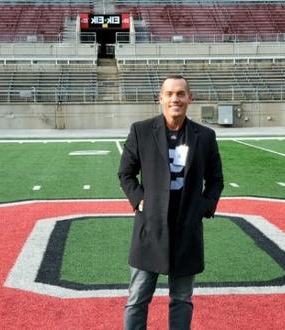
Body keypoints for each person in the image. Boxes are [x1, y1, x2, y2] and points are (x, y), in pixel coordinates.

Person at [118, 75, 224, 330]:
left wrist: (203, 208)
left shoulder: (205, 136)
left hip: (186, 230)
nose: (175, 99)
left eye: (180, 94)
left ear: (189, 98)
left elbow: (216, 180)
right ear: (160, 98)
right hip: (150, 229)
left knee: (181, 299)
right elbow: (126, 173)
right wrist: (139, 199)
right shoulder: (141, 130)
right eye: (169, 94)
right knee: (136, 300)